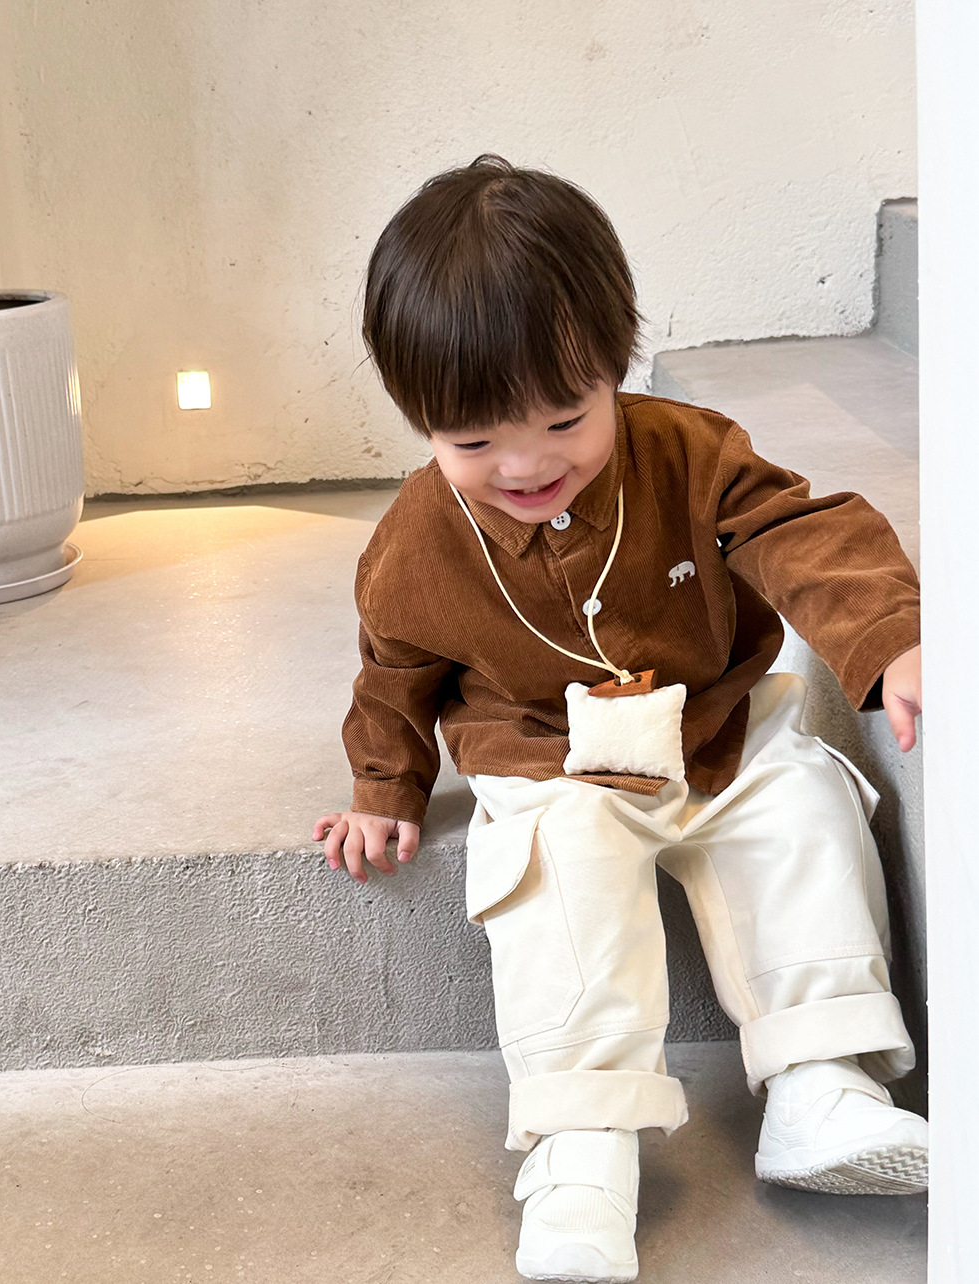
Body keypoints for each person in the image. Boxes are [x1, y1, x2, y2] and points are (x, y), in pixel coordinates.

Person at [312, 155, 927, 1283]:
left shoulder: (688, 451)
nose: (526, 464)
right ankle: (582, 1146)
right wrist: (384, 786)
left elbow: (804, 533)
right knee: (561, 874)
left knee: (798, 806)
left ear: (614, 367)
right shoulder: (417, 542)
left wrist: (890, 638)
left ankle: (822, 1081)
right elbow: (393, 669)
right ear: (419, 419)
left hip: (717, 727)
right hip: (547, 756)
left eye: (565, 417)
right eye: (474, 442)